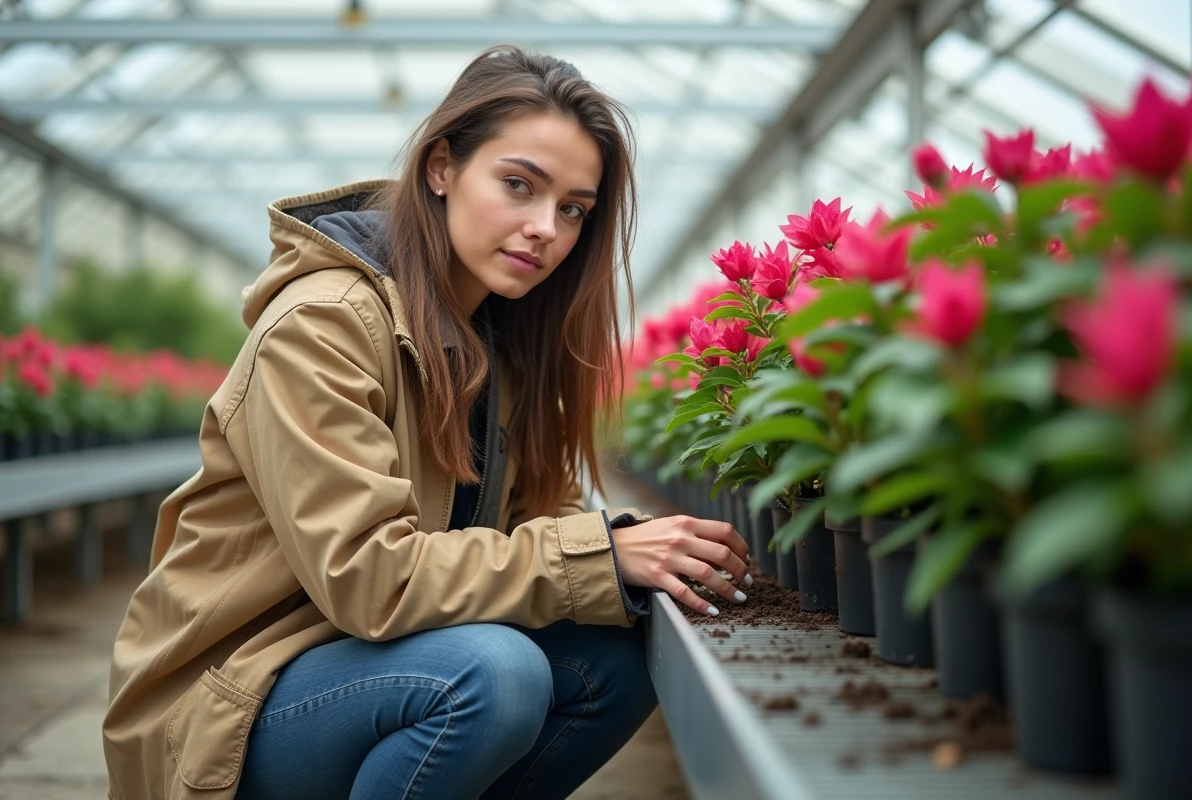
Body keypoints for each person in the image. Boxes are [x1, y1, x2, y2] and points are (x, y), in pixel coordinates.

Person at [102, 46, 752, 800]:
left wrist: (638, 552)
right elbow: (370, 580)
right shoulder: (323, 327)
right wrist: (600, 555)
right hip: (229, 707)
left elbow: (541, 522)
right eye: (519, 185)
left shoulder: (499, 341)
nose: (546, 227)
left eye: (573, 208)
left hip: (363, 666)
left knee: (621, 649)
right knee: (491, 675)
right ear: (441, 167)